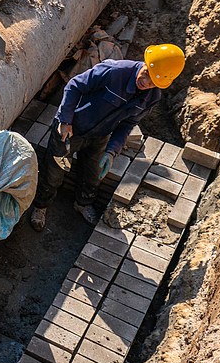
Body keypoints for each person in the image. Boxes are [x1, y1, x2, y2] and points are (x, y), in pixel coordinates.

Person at [28, 44, 186, 231]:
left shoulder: (152, 97)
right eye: (146, 73)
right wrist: (65, 119)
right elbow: (74, 86)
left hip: (100, 135)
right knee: (55, 171)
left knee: (92, 173)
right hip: (72, 129)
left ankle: (83, 203)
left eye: (153, 82)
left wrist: (112, 151)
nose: (146, 82)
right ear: (146, 62)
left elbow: (127, 124)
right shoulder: (114, 71)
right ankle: (41, 206)